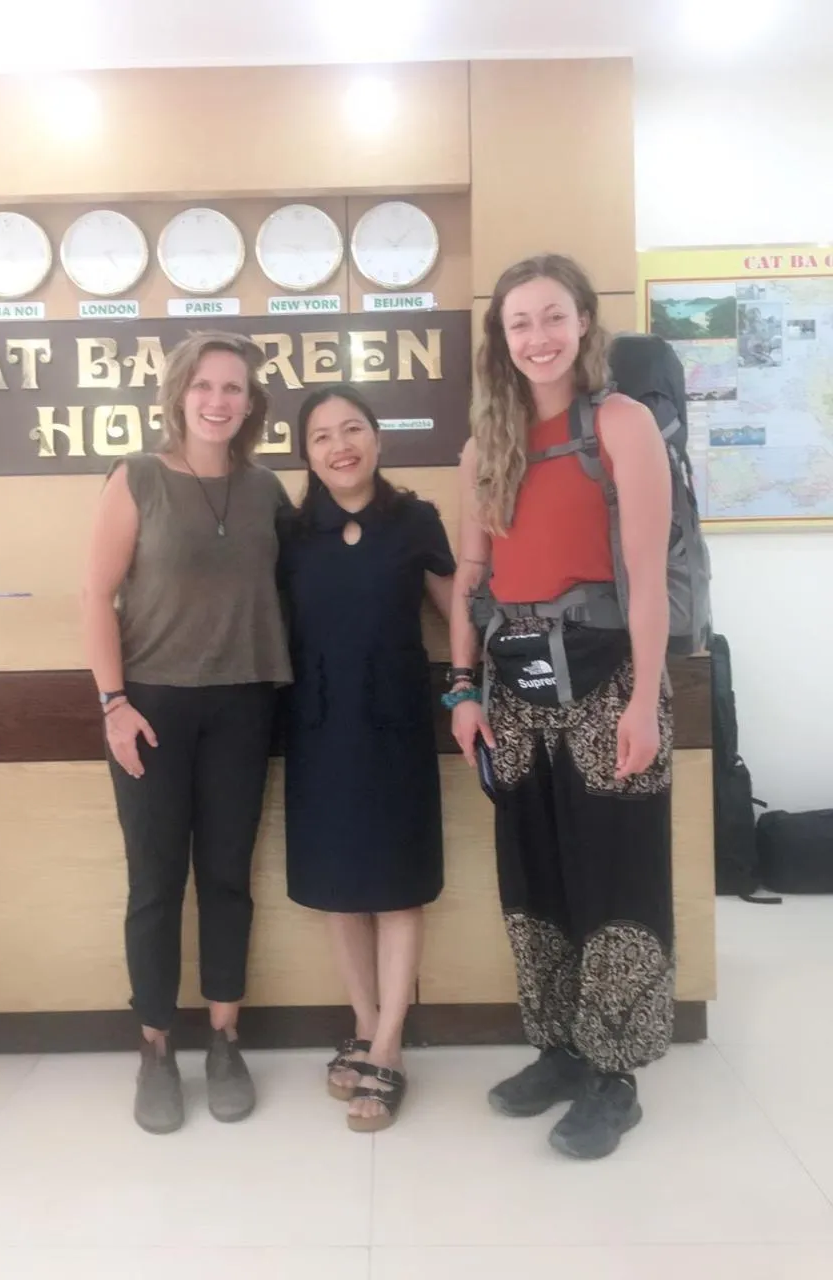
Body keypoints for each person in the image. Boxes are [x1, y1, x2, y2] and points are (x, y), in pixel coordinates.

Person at [448, 254, 675, 1160]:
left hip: (610, 681)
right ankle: (560, 1047)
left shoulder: (621, 425)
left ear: (584, 322)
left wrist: (647, 702)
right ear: (500, 341)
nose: (537, 338)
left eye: (552, 317)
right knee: (533, 872)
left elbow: (650, 578)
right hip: (516, 692)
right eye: (518, 324)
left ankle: (615, 1074)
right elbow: (471, 575)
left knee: (615, 874)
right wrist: (463, 690)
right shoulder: (482, 448)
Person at [82, 331, 291, 1135]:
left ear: (251, 401)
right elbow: (94, 596)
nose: (218, 400)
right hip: (152, 711)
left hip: (244, 705)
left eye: (234, 387)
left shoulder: (269, 489)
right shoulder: (136, 478)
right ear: (178, 394)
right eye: (204, 385)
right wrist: (113, 703)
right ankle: (156, 1050)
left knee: (229, 878)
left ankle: (225, 1041)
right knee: (156, 882)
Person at [277, 384, 454, 1133]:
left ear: (378, 439)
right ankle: (363, 1018)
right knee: (339, 889)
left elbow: (462, 616)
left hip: (394, 722)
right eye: (322, 436)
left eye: (353, 429)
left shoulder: (416, 520)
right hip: (317, 723)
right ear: (307, 455)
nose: (340, 445)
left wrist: (474, 683)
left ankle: (387, 1047)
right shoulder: (289, 531)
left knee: (397, 884)